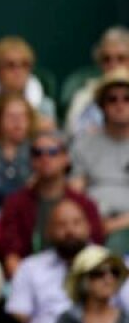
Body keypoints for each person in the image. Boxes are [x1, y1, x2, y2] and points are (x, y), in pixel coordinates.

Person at [6, 198, 129, 323]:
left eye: (76, 223)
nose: (70, 230)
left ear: (88, 226)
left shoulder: (112, 263)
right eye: (61, 224)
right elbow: (17, 319)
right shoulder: (30, 267)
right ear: (48, 231)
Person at [0, 131, 103, 276]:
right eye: (37, 153)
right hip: (30, 278)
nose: (45, 158)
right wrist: (28, 284)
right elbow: (11, 254)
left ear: (66, 158)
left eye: (53, 152)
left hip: (79, 278)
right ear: (31, 160)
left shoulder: (84, 204)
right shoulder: (16, 203)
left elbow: (95, 248)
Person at [70, 69, 129, 240]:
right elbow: (75, 192)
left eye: (127, 99)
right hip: (93, 223)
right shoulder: (84, 143)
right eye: (112, 99)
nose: (120, 104)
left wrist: (117, 224)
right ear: (101, 105)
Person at [50, 245, 129, 323]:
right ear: (83, 280)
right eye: (99, 273)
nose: (109, 279)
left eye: (114, 272)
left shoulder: (126, 322)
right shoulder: (67, 320)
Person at [65, 26, 129, 138]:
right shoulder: (84, 97)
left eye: (121, 58)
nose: (113, 65)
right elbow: (72, 134)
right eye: (106, 59)